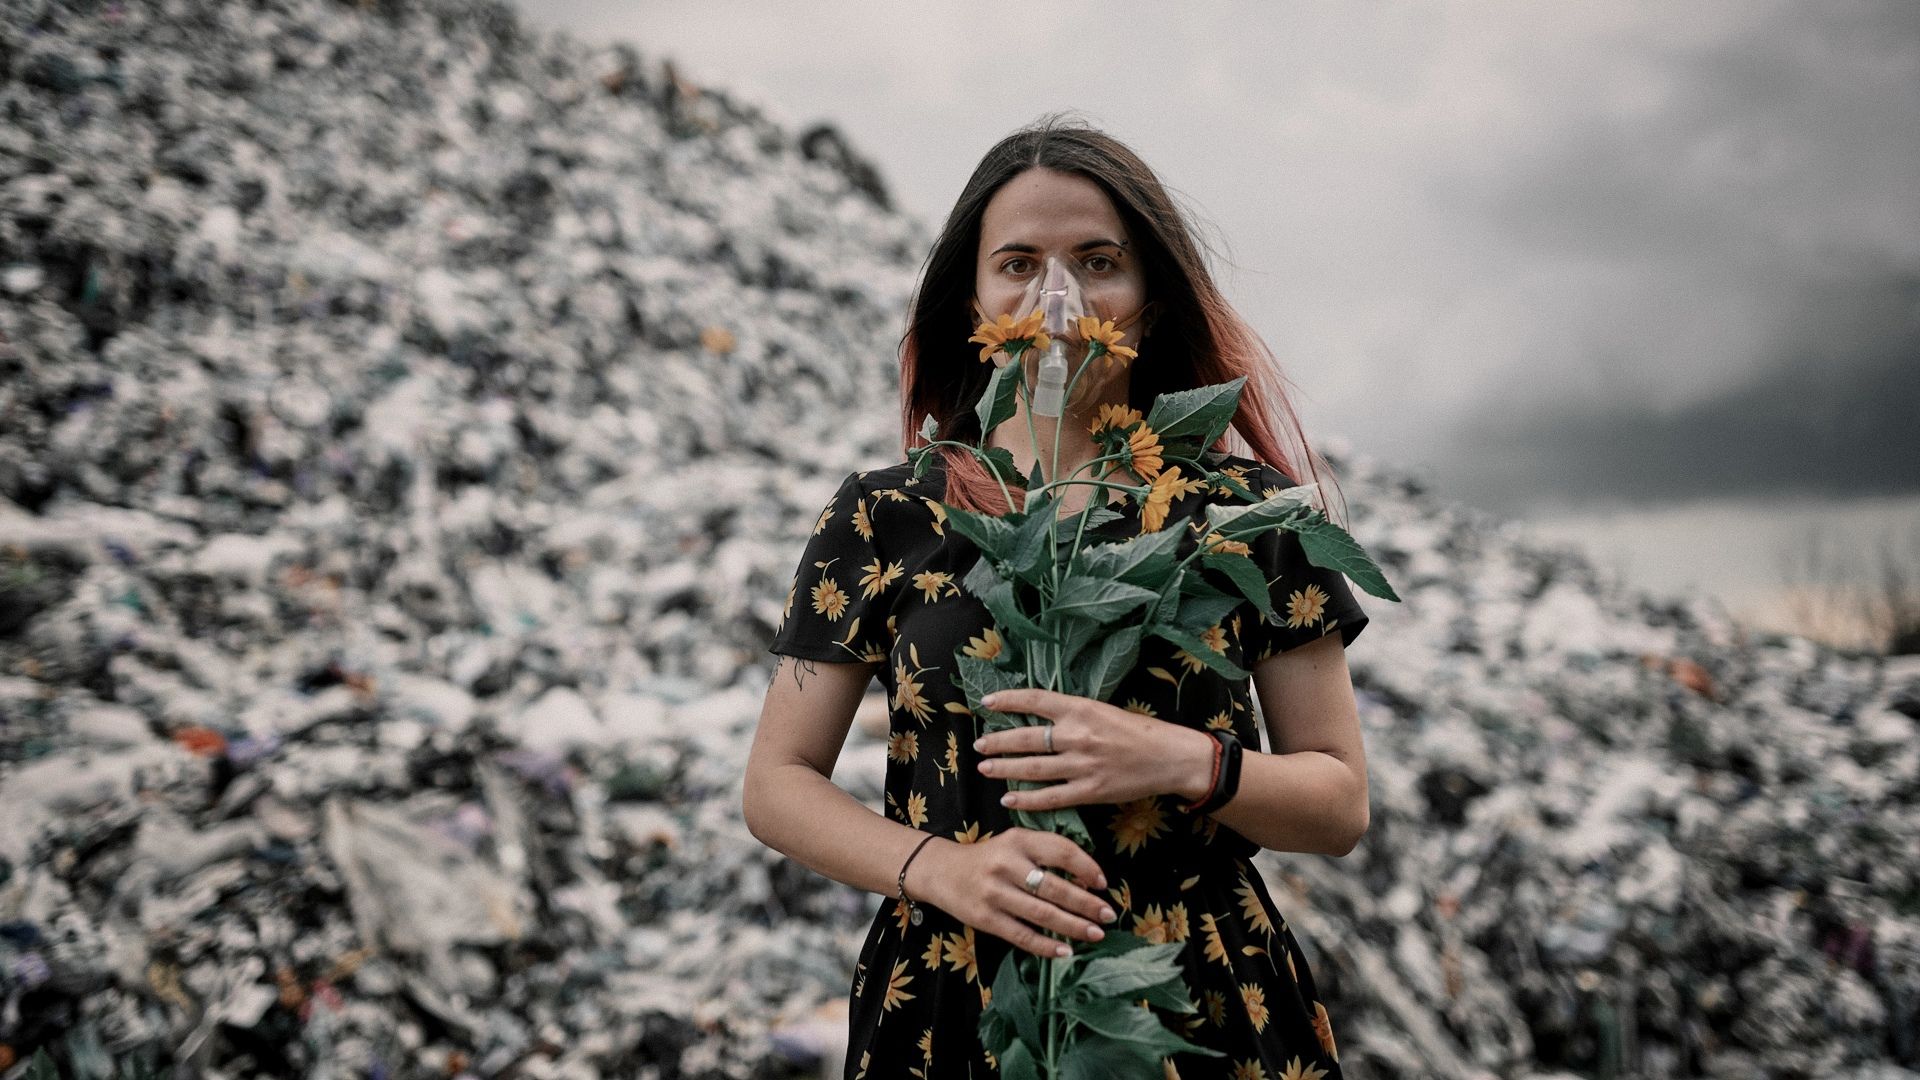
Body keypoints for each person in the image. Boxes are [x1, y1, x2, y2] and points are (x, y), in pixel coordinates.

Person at [743, 115, 1370, 1080]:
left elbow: (1336, 803)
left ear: (1151, 301)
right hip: (956, 994)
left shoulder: (1240, 519)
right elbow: (776, 783)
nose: (1059, 299)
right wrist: (943, 869)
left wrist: (1179, 758)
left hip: (1188, 996)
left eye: (1099, 261)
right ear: (973, 301)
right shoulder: (889, 515)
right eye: (1020, 264)